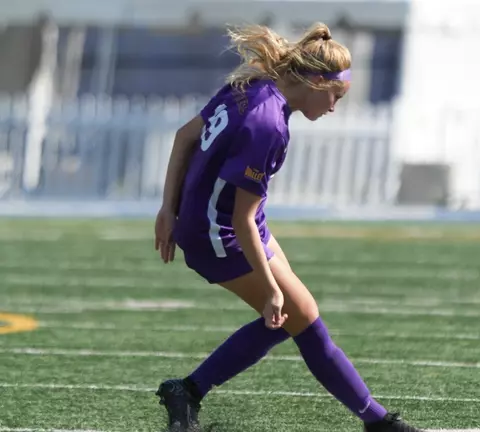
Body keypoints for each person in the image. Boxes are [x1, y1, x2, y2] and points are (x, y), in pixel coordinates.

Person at [152, 22, 424, 432]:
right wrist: (272, 288)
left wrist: (166, 208)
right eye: (335, 95)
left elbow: (183, 137)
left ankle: (188, 390)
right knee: (297, 317)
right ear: (315, 81)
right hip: (217, 236)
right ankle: (378, 422)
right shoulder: (269, 126)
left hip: (225, 223)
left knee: (296, 317)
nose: (334, 106)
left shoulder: (254, 87)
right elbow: (239, 218)